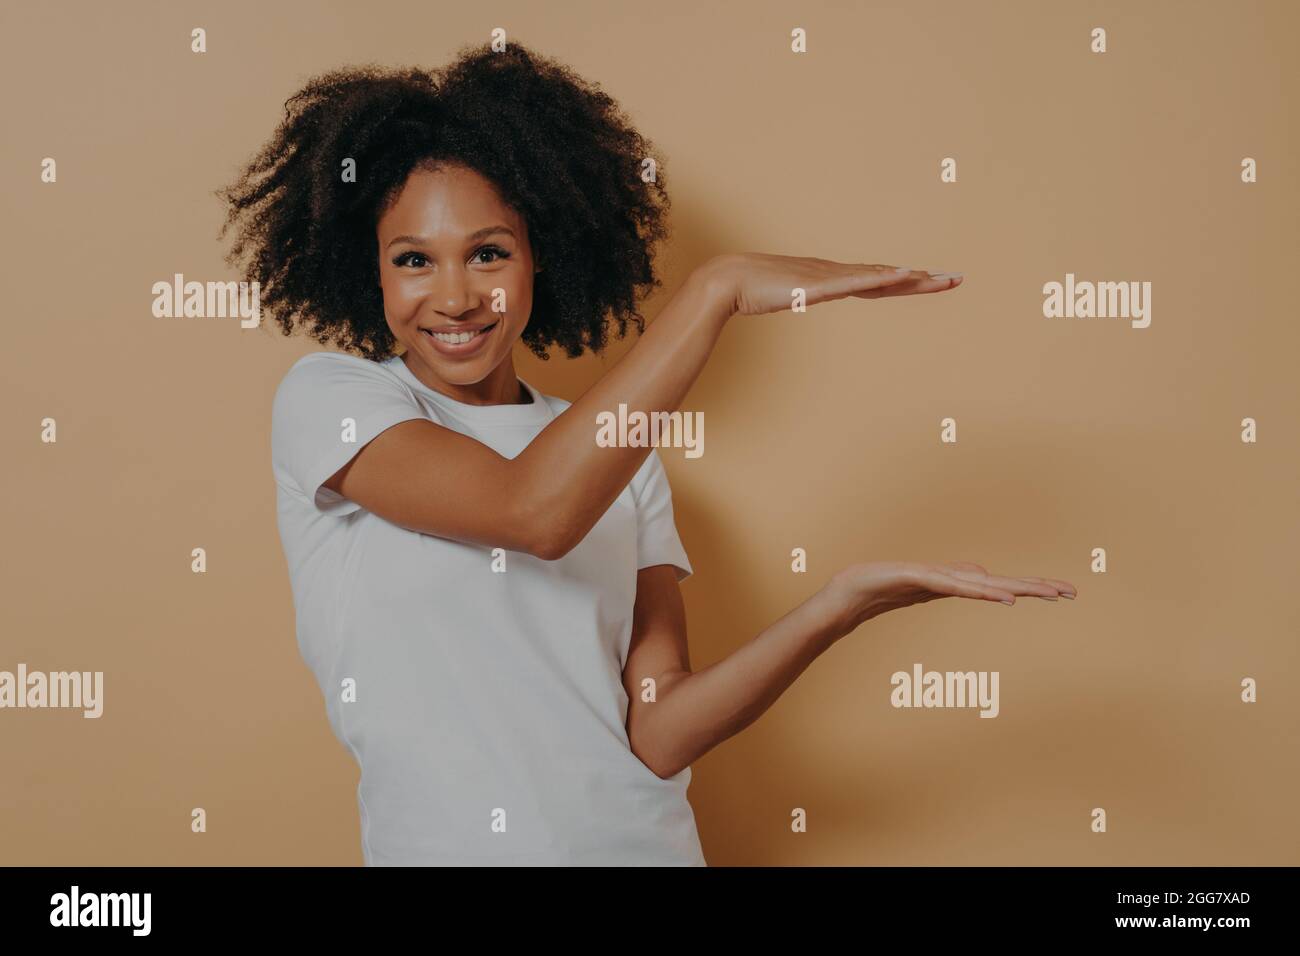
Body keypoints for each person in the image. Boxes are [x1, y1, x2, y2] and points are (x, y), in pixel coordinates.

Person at [217, 41, 1076, 866]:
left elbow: (658, 734)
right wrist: (717, 291)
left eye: (488, 253)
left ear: (537, 258)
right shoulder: (331, 401)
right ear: (367, 270)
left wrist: (840, 606)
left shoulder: (625, 460)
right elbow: (532, 512)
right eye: (413, 259)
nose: (454, 295)